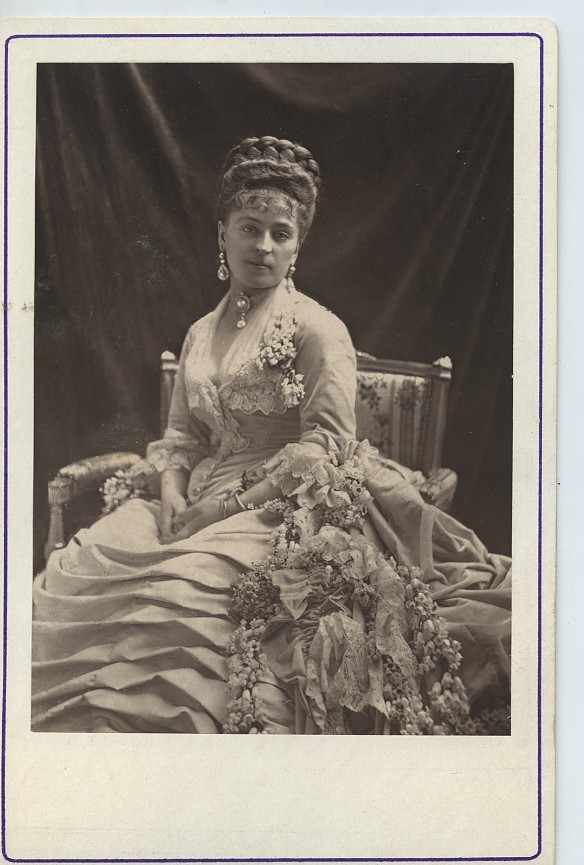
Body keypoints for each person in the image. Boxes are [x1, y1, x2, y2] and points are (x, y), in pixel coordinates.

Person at [32, 136, 511, 735]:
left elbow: (324, 447)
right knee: (95, 561)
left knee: (189, 588)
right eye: (249, 228)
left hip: (282, 504)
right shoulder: (198, 333)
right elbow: (180, 434)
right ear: (223, 234)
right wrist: (174, 493)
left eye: (280, 234)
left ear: (296, 246)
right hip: (193, 497)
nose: (263, 245)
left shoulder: (317, 329)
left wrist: (220, 508)